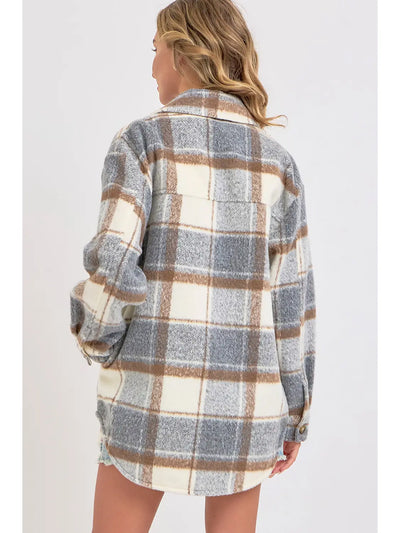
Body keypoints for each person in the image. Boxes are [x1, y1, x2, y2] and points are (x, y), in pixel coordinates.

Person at [69, 1, 317, 532]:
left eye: (155, 49)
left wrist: (95, 337)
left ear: (183, 53)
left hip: (148, 397)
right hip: (245, 408)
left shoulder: (142, 142)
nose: (151, 65)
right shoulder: (277, 165)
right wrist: (295, 411)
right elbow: (291, 302)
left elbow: (113, 263)